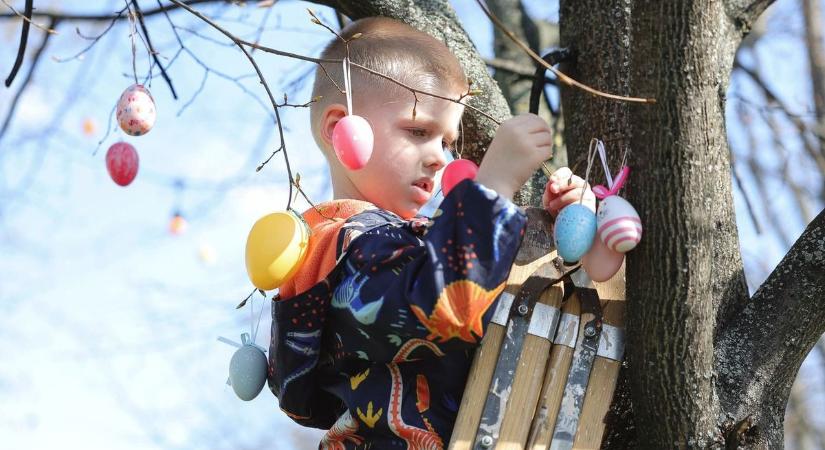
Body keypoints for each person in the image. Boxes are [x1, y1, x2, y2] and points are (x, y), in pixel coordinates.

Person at [267, 16, 594, 449]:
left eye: (446, 142)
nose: (439, 158)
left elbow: (480, 290)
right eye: (418, 131)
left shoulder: (406, 243)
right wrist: (494, 186)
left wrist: (547, 223)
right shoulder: (344, 247)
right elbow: (445, 304)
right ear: (338, 128)